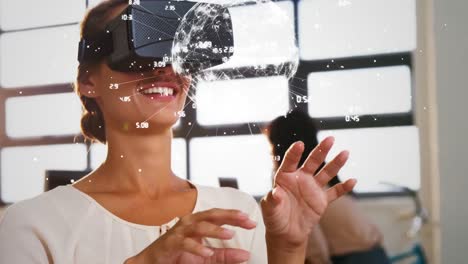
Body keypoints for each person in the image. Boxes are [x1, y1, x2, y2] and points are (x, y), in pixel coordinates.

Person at [0, 1, 356, 263]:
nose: (165, 67)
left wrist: (288, 249)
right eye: (141, 46)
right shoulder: (33, 226)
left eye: (176, 49)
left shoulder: (236, 212)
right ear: (88, 81)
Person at [265, 109, 390, 264]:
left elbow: (314, 245)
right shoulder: (324, 180)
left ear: (278, 144)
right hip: (375, 252)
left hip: (351, 258)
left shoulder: (293, 182)